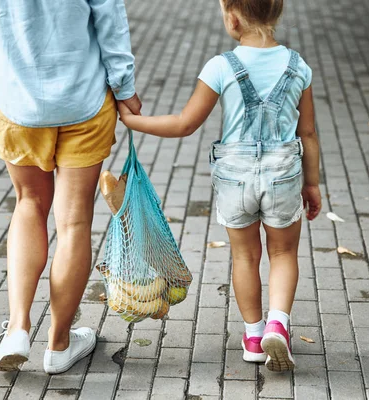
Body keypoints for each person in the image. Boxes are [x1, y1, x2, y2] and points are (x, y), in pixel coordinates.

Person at [118, 0, 321, 372]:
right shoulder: (298, 66)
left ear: (233, 17)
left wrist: (133, 122)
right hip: (283, 172)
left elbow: (184, 123)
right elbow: (306, 132)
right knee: (283, 255)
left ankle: (255, 336)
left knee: (245, 257)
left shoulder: (220, 66)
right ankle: (279, 322)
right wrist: (312, 184)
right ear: (276, 14)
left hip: (235, 176)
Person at [0, 0, 142, 374]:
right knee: (74, 221)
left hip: (18, 101)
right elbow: (109, 16)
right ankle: (60, 344)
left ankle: (17, 328)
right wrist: (125, 86)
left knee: (29, 203)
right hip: (84, 99)